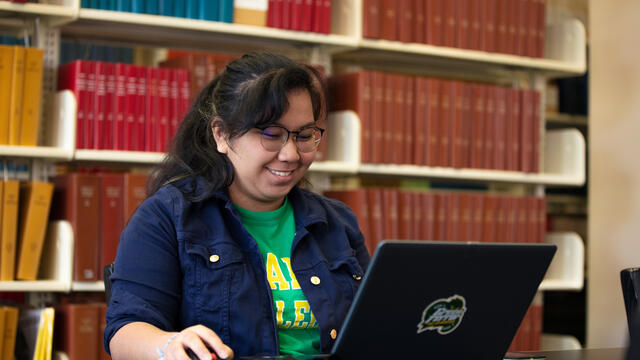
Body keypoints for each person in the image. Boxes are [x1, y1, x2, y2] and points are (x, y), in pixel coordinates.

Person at [104, 52, 370, 360]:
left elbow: (371, 325)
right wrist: (168, 345)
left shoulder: (337, 222)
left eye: (305, 136)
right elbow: (124, 332)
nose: (291, 154)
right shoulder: (167, 217)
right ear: (221, 134)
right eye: (271, 134)